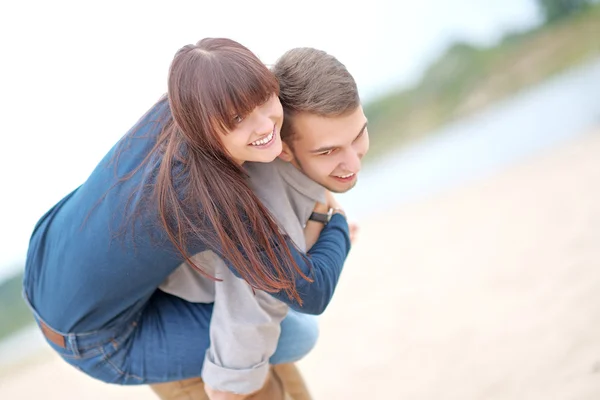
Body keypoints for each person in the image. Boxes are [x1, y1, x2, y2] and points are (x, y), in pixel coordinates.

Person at [22, 38, 350, 399]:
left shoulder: (187, 101)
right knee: (298, 333)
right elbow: (312, 291)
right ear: (203, 126)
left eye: (264, 99)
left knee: (251, 309)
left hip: (44, 261)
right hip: (94, 338)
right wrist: (333, 222)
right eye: (238, 119)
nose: (264, 125)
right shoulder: (203, 195)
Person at [156, 47, 369, 400]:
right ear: (283, 149)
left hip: (246, 320)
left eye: (359, 134)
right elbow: (249, 309)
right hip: (202, 335)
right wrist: (230, 387)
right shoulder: (267, 211)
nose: (353, 163)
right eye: (328, 151)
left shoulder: (280, 160)